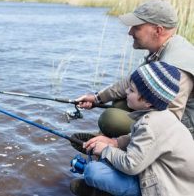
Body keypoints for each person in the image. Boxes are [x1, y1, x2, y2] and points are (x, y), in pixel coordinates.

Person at [74, 0, 194, 140]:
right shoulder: (163, 47)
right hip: (164, 118)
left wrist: (117, 144)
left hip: (183, 131)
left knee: (110, 119)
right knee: (120, 102)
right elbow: (131, 82)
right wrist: (97, 98)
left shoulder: (174, 66)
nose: (130, 32)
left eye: (136, 27)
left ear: (158, 30)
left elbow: (168, 123)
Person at [70, 62, 194, 196]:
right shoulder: (163, 116)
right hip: (173, 180)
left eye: (132, 90)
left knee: (93, 171)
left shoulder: (149, 125)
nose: (127, 91)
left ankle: (101, 192)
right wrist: (115, 143)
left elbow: (131, 165)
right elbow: (141, 140)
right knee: (108, 160)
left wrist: (105, 150)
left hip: (166, 189)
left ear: (148, 101)